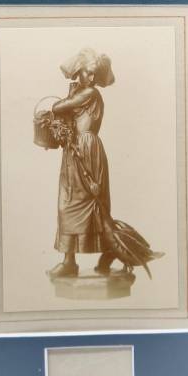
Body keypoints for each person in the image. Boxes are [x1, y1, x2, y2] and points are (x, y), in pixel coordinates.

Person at [47, 48, 118, 279]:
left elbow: (58, 107)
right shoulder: (83, 91)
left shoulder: (90, 93)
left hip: (85, 149)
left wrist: (72, 92)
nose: (92, 78)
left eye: (95, 74)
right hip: (76, 148)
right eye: (88, 72)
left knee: (86, 204)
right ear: (79, 71)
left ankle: (107, 253)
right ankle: (70, 262)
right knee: (68, 203)